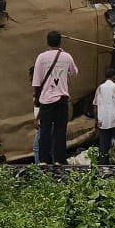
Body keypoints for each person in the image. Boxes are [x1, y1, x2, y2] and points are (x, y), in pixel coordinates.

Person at [32, 31, 79, 165]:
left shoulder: (41, 58)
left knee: (45, 129)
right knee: (60, 130)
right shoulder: (66, 56)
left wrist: (37, 103)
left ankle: (43, 159)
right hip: (62, 98)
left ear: (47, 42)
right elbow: (74, 73)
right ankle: (59, 159)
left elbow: (36, 82)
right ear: (60, 42)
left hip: (46, 99)